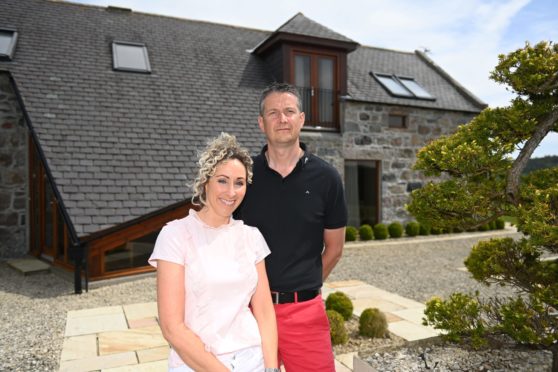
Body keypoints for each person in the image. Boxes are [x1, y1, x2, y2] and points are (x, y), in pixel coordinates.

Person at [235, 82, 348, 371]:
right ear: (261, 123)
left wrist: (304, 284)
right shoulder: (243, 178)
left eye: (289, 111)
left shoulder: (327, 178)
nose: (282, 119)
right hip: (249, 313)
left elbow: (334, 249)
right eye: (273, 113)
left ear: (301, 119)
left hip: (305, 314)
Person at [149, 133, 279, 372]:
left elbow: (264, 310)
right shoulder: (176, 236)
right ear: (205, 181)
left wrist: (271, 368)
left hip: (253, 359)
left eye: (239, 183)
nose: (231, 192)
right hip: (197, 363)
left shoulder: (251, 237)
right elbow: (172, 327)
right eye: (222, 180)